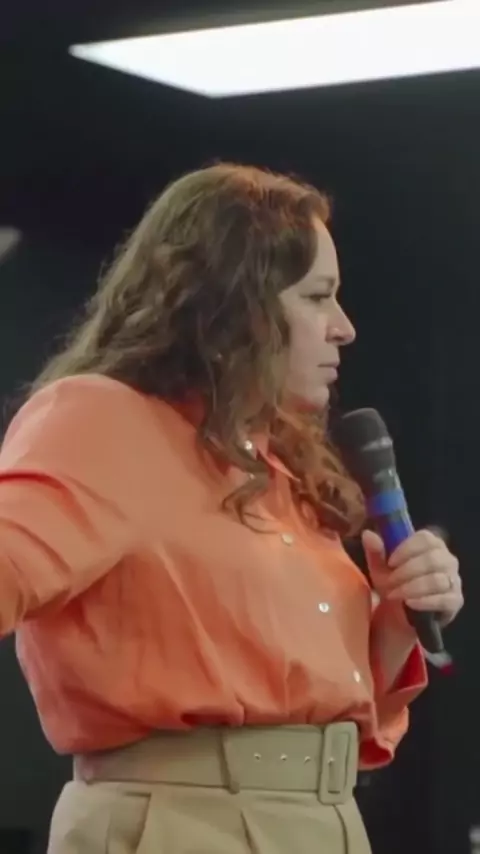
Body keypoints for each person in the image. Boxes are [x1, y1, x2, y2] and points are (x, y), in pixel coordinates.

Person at [0, 162, 463, 854]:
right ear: (232, 305)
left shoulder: (280, 465)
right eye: (318, 297)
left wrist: (396, 620)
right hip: (184, 823)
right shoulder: (106, 420)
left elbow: (324, 700)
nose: (344, 328)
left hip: (326, 822)